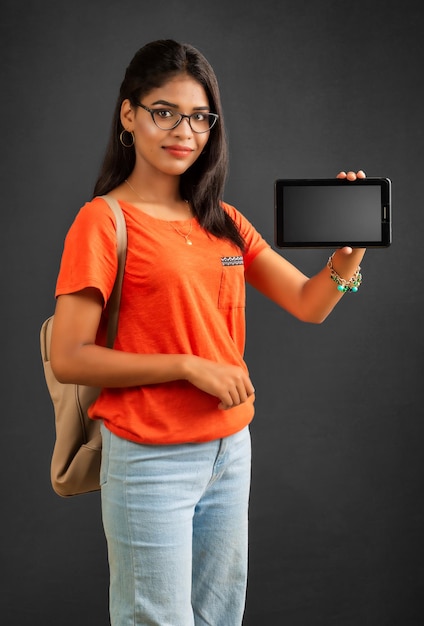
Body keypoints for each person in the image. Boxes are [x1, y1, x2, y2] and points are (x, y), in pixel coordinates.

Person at [50, 39, 366, 626]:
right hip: (149, 456)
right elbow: (70, 357)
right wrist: (188, 365)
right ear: (129, 115)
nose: (183, 131)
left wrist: (347, 259)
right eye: (164, 112)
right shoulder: (103, 221)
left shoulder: (222, 220)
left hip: (228, 451)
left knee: (221, 618)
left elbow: (308, 303)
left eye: (199, 117)